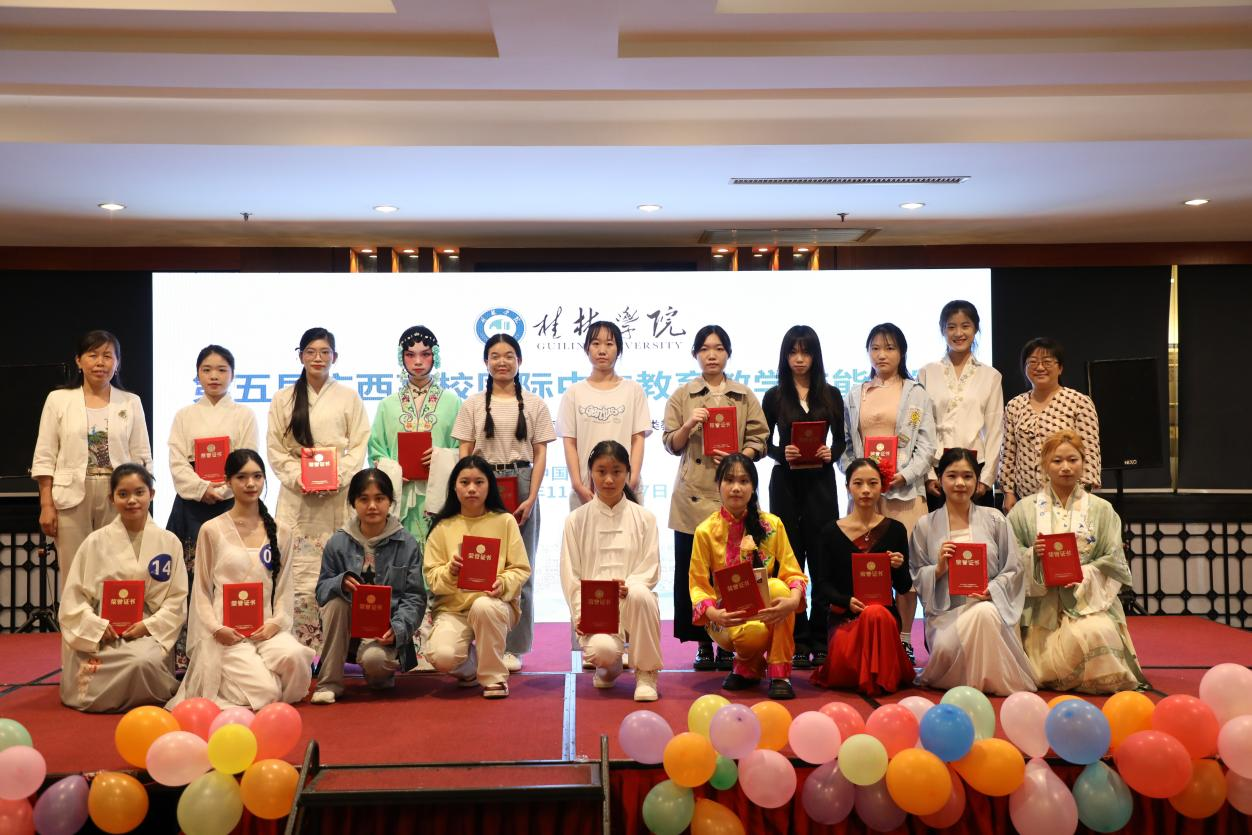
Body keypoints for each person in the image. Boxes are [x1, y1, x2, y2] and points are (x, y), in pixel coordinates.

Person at [169, 449, 313, 709]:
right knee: (267, 691)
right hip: (227, 632)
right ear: (227, 481)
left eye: (257, 476)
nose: (250, 483)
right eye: (242, 477)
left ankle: (259, 687)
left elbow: (283, 589)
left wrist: (276, 623)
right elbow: (201, 590)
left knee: (296, 656)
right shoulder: (211, 530)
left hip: (265, 628)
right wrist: (216, 629)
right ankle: (254, 686)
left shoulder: (281, 531)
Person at [1008, 430, 1147, 693]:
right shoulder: (1023, 510)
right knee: (1043, 663)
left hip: (1087, 602)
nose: (1066, 467)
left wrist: (1084, 573)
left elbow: (1114, 559)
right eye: (1057, 461)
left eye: (1073, 460)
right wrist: (1033, 556)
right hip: (1040, 607)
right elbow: (1008, 558)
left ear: (1084, 462)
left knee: (1097, 632)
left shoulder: (1102, 509)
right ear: (1044, 465)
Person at [664, 325, 768, 672]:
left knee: (735, 572)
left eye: (719, 348)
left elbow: (760, 438)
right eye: (705, 349)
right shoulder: (683, 395)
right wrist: (688, 425)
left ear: (728, 354)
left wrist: (740, 459)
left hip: (733, 495)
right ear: (696, 354)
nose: (712, 355)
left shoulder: (743, 395)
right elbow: (670, 443)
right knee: (693, 574)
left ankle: (732, 639)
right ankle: (703, 644)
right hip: (692, 497)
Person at [453, 334, 554, 673]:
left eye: (509, 355)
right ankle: (479, 643)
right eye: (495, 356)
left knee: (521, 569)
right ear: (486, 362)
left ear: (519, 361)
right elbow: (464, 451)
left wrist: (532, 496)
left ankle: (515, 647)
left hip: (522, 484)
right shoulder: (472, 404)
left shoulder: (536, 404)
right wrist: (469, 489)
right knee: (480, 566)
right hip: (483, 483)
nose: (502, 362)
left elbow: (540, 453)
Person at [266, 327, 370, 649]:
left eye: (325, 352)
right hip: (298, 498)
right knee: (297, 575)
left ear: (335, 357)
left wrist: (337, 477)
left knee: (337, 570)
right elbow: (276, 450)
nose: (318, 358)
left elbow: (359, 444)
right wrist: (302, 478)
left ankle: (335, 650)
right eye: (311, 352)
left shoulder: (348, 397)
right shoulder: (283, 398)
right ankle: (300, 650)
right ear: (300, 356)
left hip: (337, 496)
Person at [840, 323, 935, 663]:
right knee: (866, 569)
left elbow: (927, 445)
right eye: (875, 348)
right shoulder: (856, 394)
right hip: (867, 497)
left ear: (902, 352)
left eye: (890, 348)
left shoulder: (916, 393)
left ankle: (905, 638)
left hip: (905, 496)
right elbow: (847, 446)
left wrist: (904, 475)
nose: (882, 355)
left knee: (905, 569)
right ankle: (869, 636)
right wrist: (857, 477)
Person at [58, 465, 187, 712]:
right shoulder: (94, 542)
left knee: (142, 661)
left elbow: (176, 599)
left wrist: (148, 625)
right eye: (123, 494)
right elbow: (74, 598)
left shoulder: (169, 542)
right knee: (122, 661)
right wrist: (97, 626)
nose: (132, 500)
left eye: (139, 492)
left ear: (152, 494)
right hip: (103, 631)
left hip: (146, 629)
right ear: (112, 498)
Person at [32, 330, 153, 587]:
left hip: (118, 494)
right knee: (75, 572)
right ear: (78, 361)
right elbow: (45, 455)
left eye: (108, 356)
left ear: (117, 363)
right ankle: (75, 616)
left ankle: (113, 615)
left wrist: (143, 501)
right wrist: (46, 505)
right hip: (71, 495)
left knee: (117, 569)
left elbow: (142, 455)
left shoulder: (131, 402)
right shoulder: (58, 400)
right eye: (93, 355)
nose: (100, 362)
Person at [910, 449, 1035, 695]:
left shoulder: (995, 519)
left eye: (968, 476)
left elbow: (1014, 568)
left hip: (991, 606)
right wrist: (938, 569)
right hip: (946, 614)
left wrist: (992, 590)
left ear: (977, 482)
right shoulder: (925, 525)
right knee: (950, 644)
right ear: (939, 480)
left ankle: (978, 685)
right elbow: (916, 573)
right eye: (952, 476)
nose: (960, 483)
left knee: (984, 613)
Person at [165, 345, 259, 667]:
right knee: (190, 578)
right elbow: (177, 461)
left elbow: (247, 458)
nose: (214, 376)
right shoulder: (184, 415)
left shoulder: (244, 415)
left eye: (221, 370)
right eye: (207, 370)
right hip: (192, 506)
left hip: (232, 505)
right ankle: (187, 655)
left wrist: (224, 489)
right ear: (197, 374)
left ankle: (233, 651)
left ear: (232, 374)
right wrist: (202, 488)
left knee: (232, 576)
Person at [689, 454, 807, 700]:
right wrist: (714, 613)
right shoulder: (705, 531)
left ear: (753, 487)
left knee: (780, 589)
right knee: (752, 634)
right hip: (725, 615)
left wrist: (794, 600)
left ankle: (780, 673)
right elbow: (698, 585)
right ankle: (746, 663)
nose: (736, 488)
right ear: (718, 484)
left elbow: (793, 572)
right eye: (729, 480)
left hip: (765, 609)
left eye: (744, 481)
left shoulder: (773, 524)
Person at [762, 325, 845, 670]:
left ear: (815, 356)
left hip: (821, 484)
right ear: (785, 356)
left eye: (805, 352)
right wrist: (782, 452)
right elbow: (764, 443)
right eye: (793, 352)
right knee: (789, 560)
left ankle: (821, 638)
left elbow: (842, 441)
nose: (799, 359)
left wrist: (831, 453)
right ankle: (796, 638)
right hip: (786, 484)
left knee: (822, 559)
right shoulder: (774, 396)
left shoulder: (831, 395)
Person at [560, 441, 662, 702]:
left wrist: (630, 585)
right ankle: (610, 668)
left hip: (632, 601)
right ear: (590, 473)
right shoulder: (576, 520)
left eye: (616, 472)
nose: (608, 479)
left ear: (627, 473)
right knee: (602, 651)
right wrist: (581, 614)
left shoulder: (645, 518)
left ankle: (646, 674)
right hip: (596, 607)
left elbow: (650, 567)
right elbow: (571, 575)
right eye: (601, 471)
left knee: (641, 594)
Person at [312, 469, 424, 704]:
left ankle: (379, 672)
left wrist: (397, 628)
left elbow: (415, 597)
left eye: (379, 498)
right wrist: (339, 583)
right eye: (364, 499)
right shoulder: (337, 543)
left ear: (390, 502)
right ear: (353, 502)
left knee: (375, 664)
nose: (372, 506)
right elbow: (321, 591)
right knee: (335, 602)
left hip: (384, 633)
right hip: (347, 631)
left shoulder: (407, 543)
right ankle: (329, 683)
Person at [423, 456, 531, 699]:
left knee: (483, 606)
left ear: (490, 486)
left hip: (494, 604)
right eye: (464, 482)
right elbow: (431, 578)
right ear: (454, 486)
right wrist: (449, 571)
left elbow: (521, 568)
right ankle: (471, 669)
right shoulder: (442, 527)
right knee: (442, 657)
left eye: (479, 482)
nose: (471, 488)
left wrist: (503, 583)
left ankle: (494, 678)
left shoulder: (505, 521)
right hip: (453, 609)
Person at [810, 458, 914, 696]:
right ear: (847, 487)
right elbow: (822, 585)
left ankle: (877, 678)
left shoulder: (895, 530)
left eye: (872, 483)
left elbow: (904, 586)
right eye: (858, 483)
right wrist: (846, 601)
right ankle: (879, 678)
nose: (865, 490)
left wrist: (898, 567)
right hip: (846, 619)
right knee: (871, 614)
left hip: (884, 620)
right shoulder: (830, 532)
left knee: (876, 612)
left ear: (882, 487)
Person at [367, 326, 461, 545]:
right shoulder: (387, 405)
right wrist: (391, 471)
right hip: (400, 492)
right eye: (410, 355)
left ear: (435, 356)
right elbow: (376, 451)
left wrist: (440, 457)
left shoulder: (452, 402)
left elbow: (464, 449)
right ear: (401, 357)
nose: (418, 361)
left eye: (425, 354)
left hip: (439, 493)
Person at [917, 301, 1003, 511]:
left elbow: (995, 430)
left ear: (976, 329)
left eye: (965, 326)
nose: (958, 333)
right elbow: (919, 426)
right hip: (937, 468)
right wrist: (928, 475)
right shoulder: (927, 372)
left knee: (978, 530)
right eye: (951, 327)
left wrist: (986, 479)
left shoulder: (990, 375)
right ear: (942, 330)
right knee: (938, 530)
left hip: (975, 469)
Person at [557, 321, 652, 510]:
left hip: (626, 486)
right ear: (587, 348)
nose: (602, 350)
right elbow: (570, 443)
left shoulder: (633, 390)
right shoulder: (574, 393)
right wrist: (577, 485)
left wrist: (631, 480)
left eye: (609, 344)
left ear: (619, 349)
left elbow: (638, 439)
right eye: (595, 344)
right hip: (586, 490)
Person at [1000, 337, 1102, 513]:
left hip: (1070, 499)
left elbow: (1090, 451)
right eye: (1033, 362)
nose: (1040, 368)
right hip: (1027, 500)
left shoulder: (1078, 402)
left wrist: (1083, 494)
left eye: (1047, 362)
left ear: (1060, 367)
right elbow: (1008, 453)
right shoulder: (1014, 406)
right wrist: (1008, 492)